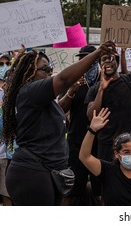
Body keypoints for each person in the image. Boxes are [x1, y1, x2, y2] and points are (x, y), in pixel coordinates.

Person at [2, 41, 116, 205]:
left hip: (45, 172)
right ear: (29, 73)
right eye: (45, 69)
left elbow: (60, 111)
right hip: (32, 173)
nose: (50, 72)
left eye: (50, 68)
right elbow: (63, 80)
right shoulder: (30, 91)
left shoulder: (42, 99)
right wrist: (97, 54)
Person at [85, 50, 131, 163]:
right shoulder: (94, 89)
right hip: (106, 145)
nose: (108, 61)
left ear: (117, 63)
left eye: (111, 58)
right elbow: (91, 115)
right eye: (104, 59)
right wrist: (101, 90)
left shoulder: (130, 80)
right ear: (100, 64)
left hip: (129, 144)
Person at [57, 45, 101, 205]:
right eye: (81, 59)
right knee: (70, 190)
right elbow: (60, 110)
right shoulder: (73, 81)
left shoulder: (104, 80)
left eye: (87, 58)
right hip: (76, 142)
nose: (84, 62)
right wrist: (71, 91)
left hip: (99, 143)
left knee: (100, 191)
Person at [0, 53, 12, 206]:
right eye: (0, 64)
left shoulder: (10, 94)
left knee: (7, 195)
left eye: (7, 63)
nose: (4, 67)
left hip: (5, 155)